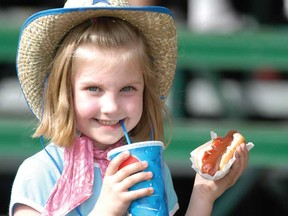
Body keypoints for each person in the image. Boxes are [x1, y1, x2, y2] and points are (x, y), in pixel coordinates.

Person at [10, 0, 249, 215]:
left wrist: (203, 195)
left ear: (145, 91)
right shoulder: (39, 174)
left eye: (127, 89)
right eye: (94, 88)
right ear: (64, 93)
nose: (111, 107)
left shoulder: (149, 168)